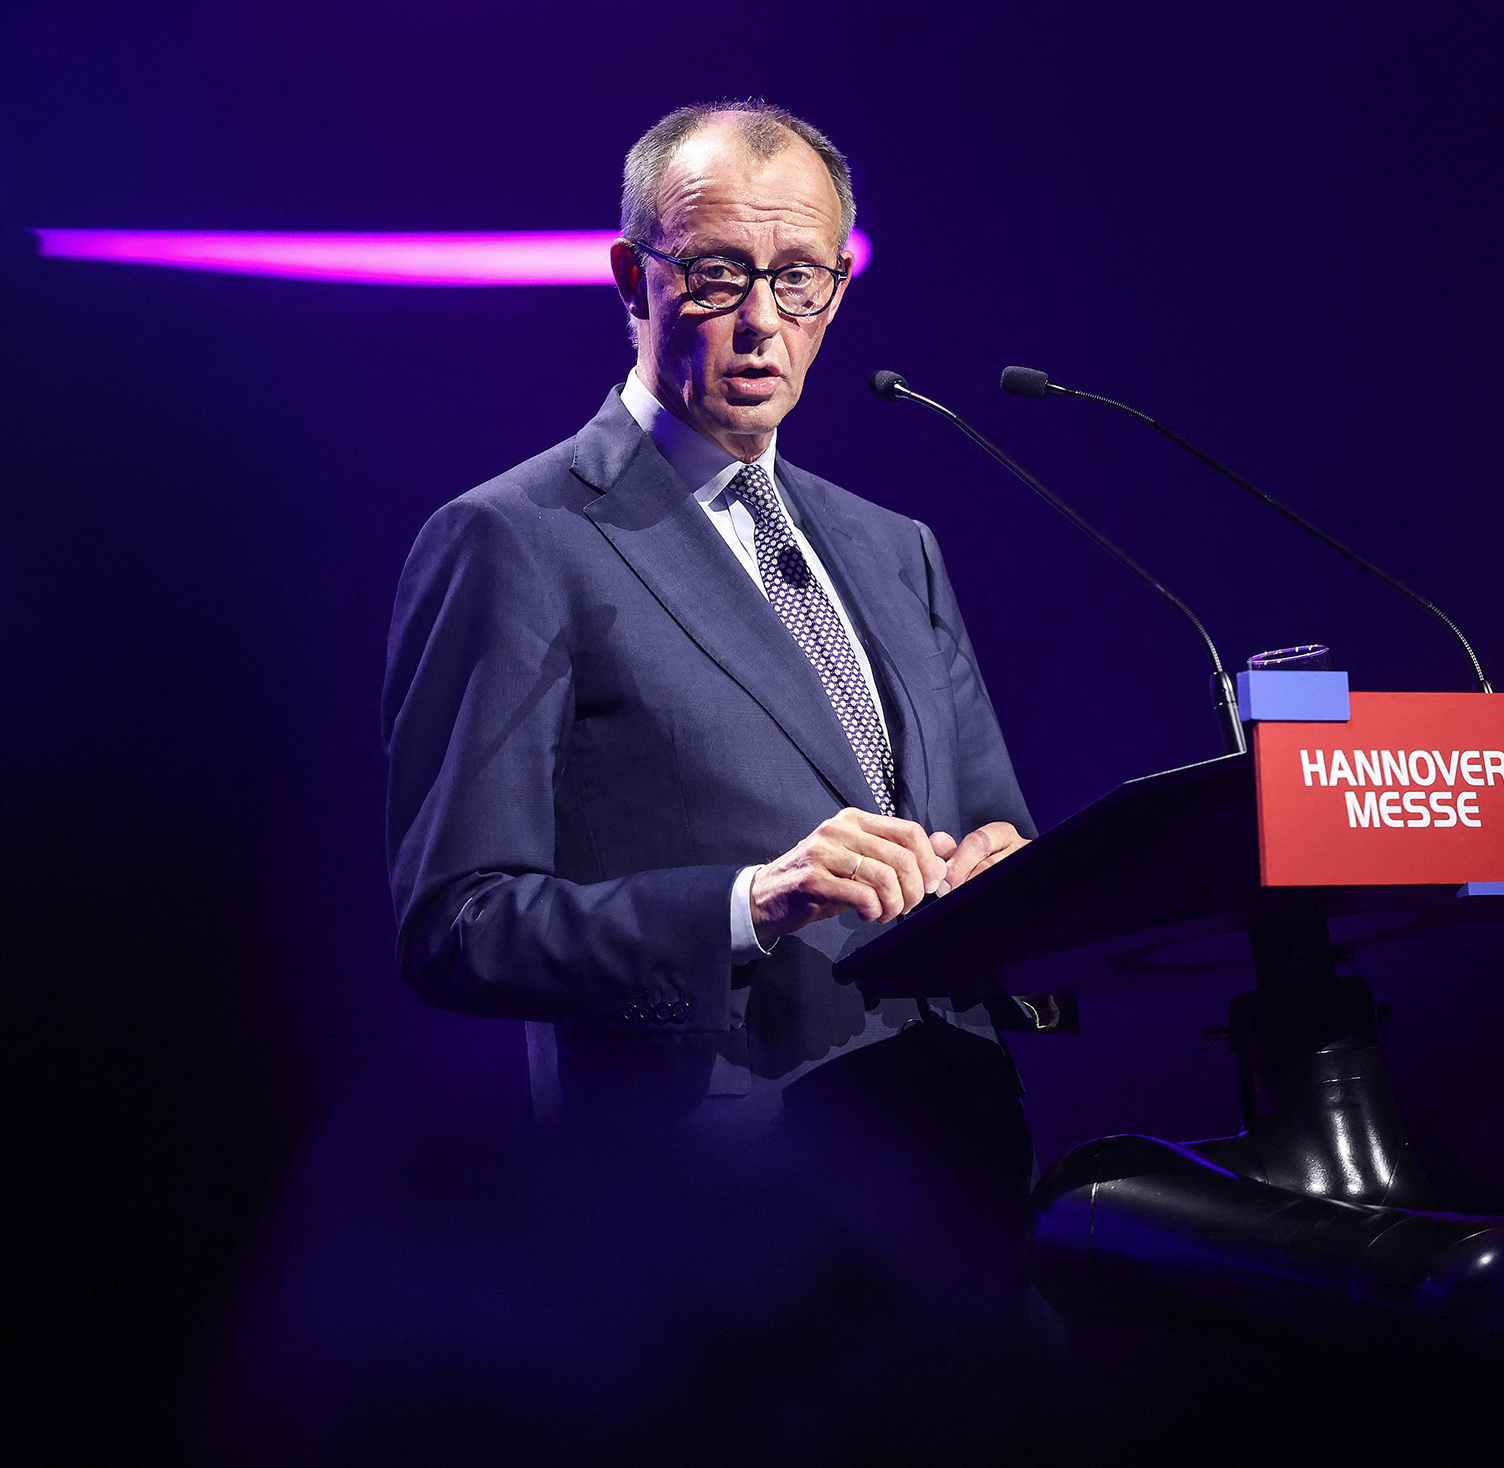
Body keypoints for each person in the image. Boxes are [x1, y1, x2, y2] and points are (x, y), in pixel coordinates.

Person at [383, 99, 1052, 1166]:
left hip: (954, 1159)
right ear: (631, 277)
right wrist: (750, 903)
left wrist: (1011, 880)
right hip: (719, 1193)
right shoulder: (514, 539)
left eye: (799, 279)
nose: (761, 320)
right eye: (717, 274)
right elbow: (460, 927)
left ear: (836, 287)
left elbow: (995, 834)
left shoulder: (897, 548)